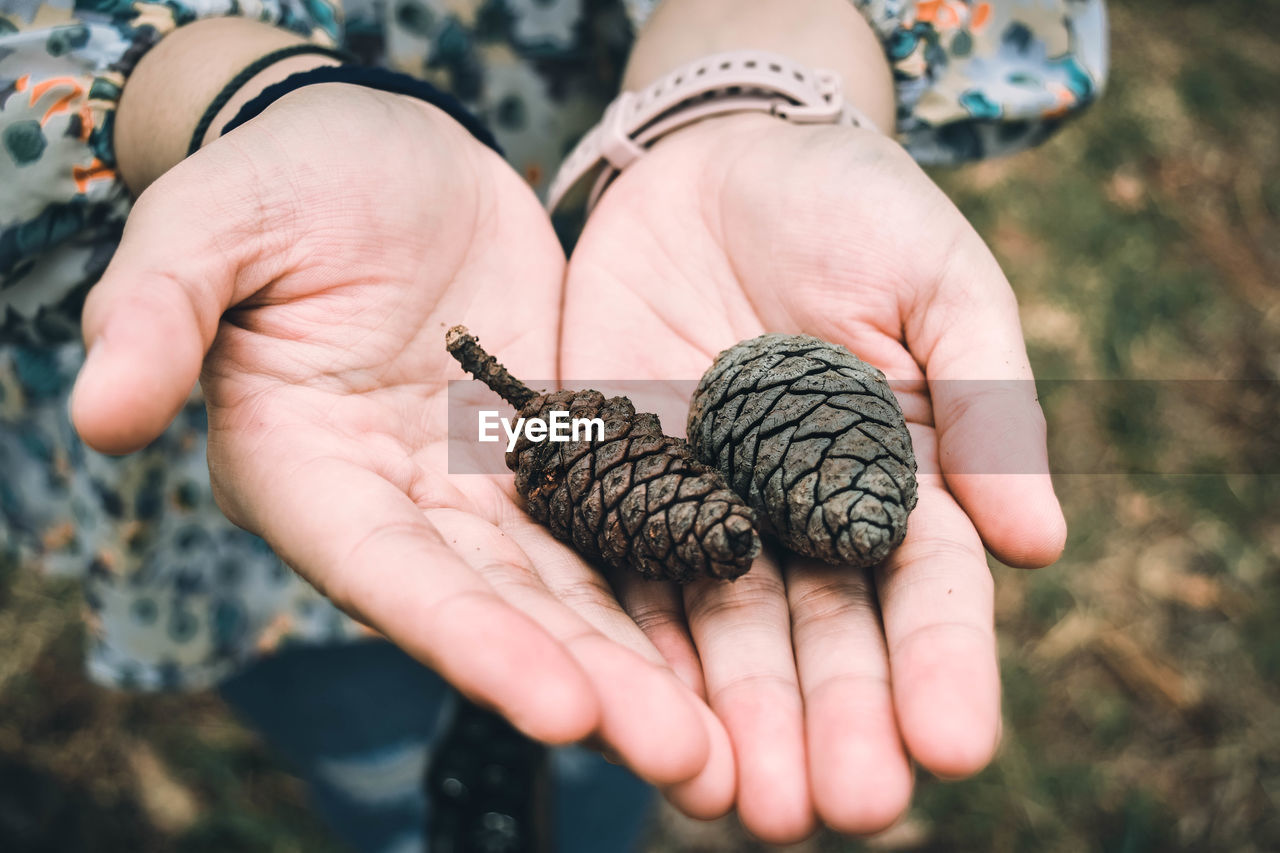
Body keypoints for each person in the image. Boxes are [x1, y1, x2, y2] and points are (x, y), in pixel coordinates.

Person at [0, 0, 1107, 850]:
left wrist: (758, 73)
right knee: (366, 672)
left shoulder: (662, 439)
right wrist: (219, 96)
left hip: (592, 383)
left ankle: (566, 798)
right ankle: (401, 801)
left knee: (609, 684)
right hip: (348, 379)